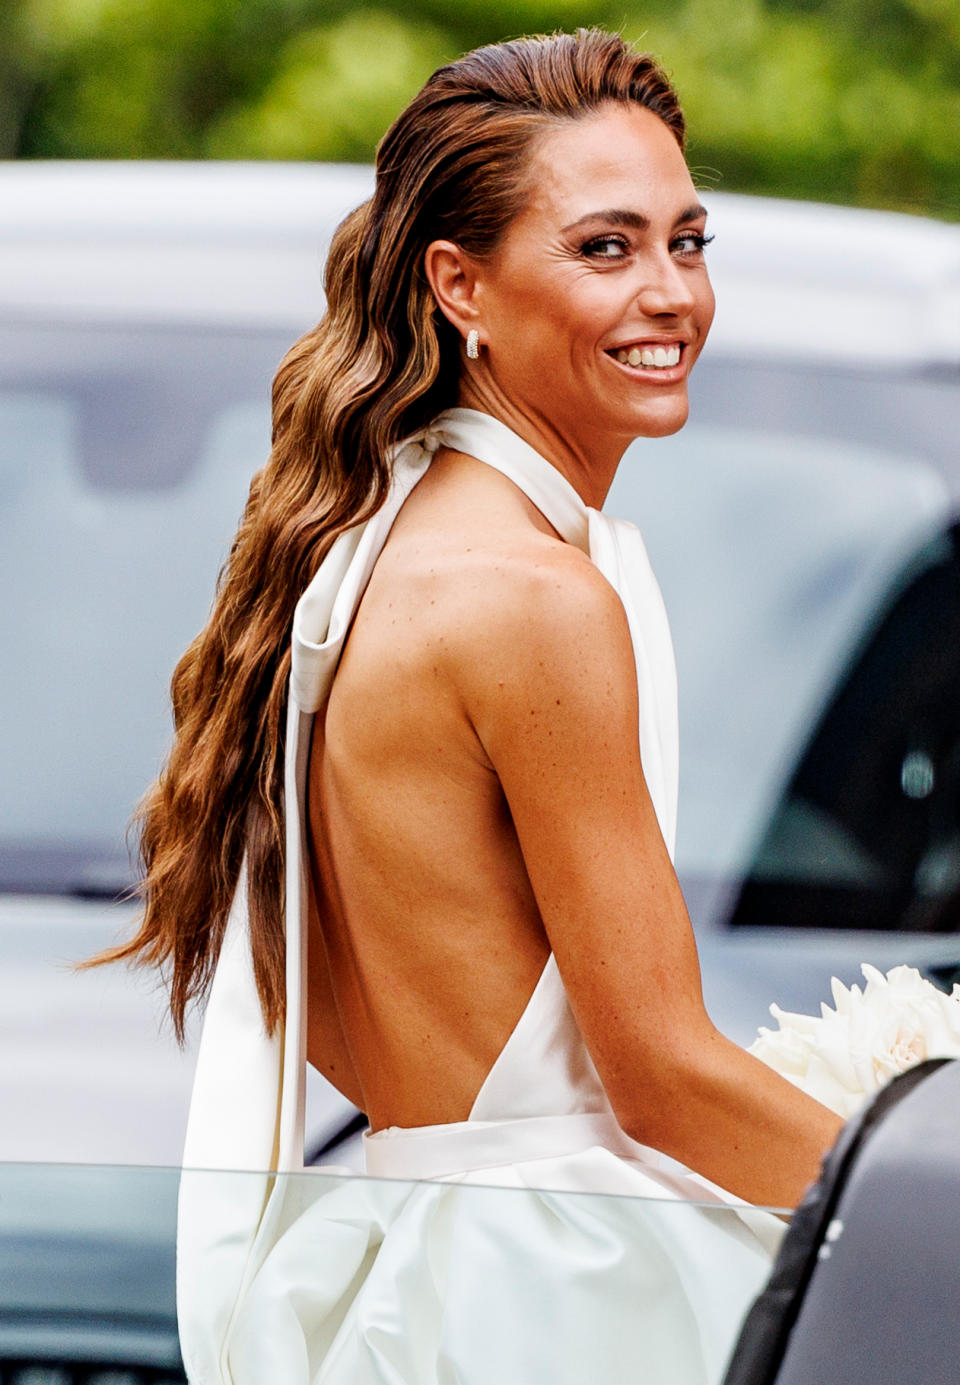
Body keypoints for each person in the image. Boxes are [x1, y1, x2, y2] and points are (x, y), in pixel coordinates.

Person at [97, 27, 843, 1385]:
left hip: (418, 1265)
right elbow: (661, 1075)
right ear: (462, 285)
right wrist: (899, 1200)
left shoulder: (361, 562)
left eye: (690, 240)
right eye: (605, 248)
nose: (669, 292)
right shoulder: (532, 597)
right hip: (569, 1299)